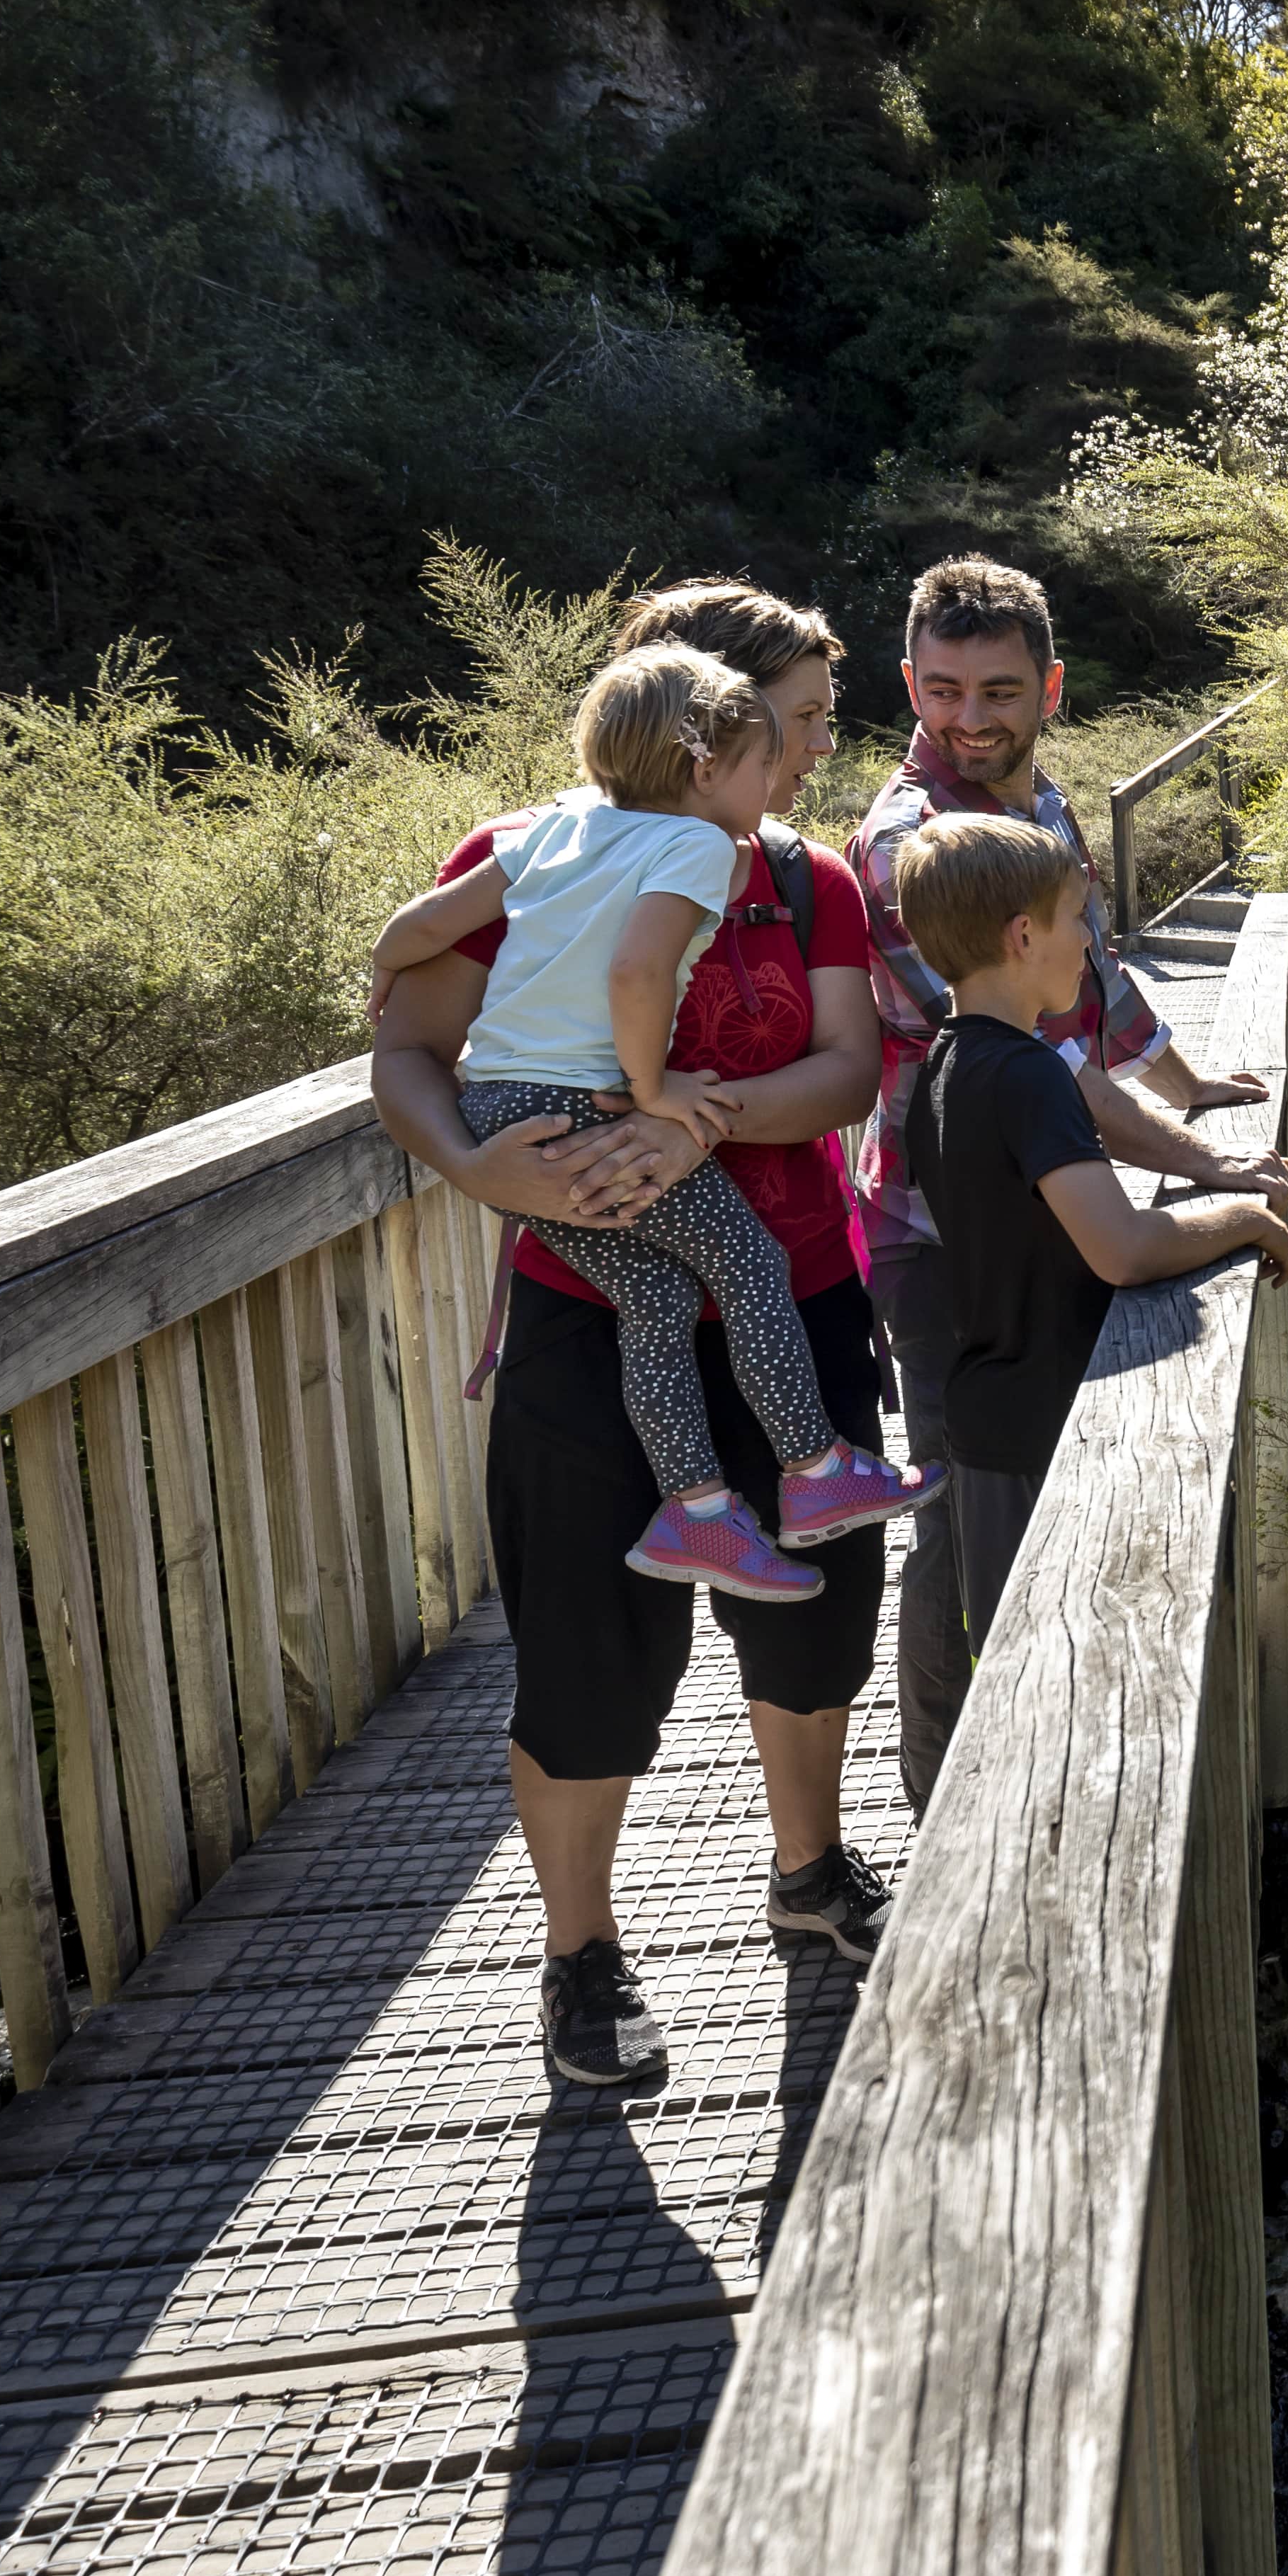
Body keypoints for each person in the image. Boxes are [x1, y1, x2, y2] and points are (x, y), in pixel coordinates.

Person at [367, 580, 899, 2090]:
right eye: (788, 729)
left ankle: (811, 1870)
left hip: (794, 1298)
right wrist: (477, 1165)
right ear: (694, 730)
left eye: (815, 727)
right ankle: (582, 1953)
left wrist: (700, 1126)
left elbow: (849, 1069)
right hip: (583, 1313)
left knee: (812, 1614)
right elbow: (406, 1045)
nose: (805, 761)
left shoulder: (808, 881)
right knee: (592, 1648)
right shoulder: (533, 848)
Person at [851, 552, 1287, 1813]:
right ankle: (943, 1801)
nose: (967, 720)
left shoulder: (1043, 814)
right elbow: (1040, 1066)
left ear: (1049, 688)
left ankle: (1063, 1770)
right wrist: (1202, 1168)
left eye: (996, 691)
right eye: (940, 691)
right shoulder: (914, 851)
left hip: (1046, 1210)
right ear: (909, 684)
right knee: (953, 1525)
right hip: (948, 1240)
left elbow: (1097, 990)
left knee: (1056, 1493)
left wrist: (1188, 1080)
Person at [370, 645, 937, 1602]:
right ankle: (812, 1473)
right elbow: (639, 974)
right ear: (704, 766)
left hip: (502, 1107)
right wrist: (659, 1089)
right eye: (767, 756)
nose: (783, 776)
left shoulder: (559, 825)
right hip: (586, 1103)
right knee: (749, 1263)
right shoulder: (698, 845)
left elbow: (424, 923)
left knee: (658, 1303)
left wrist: (385, 963)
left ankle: (700, 1513)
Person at [887, 814, 1288, 1626]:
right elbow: (1123, 1249)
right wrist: (1244, 1217)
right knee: (1060, 1646)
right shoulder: (1028, 1075)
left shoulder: (945, 1064)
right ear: (1024, 934)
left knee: (1007, 1648)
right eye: (1080, 918)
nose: (1091, 942)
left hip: (991, 1422)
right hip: (1047, 1429)